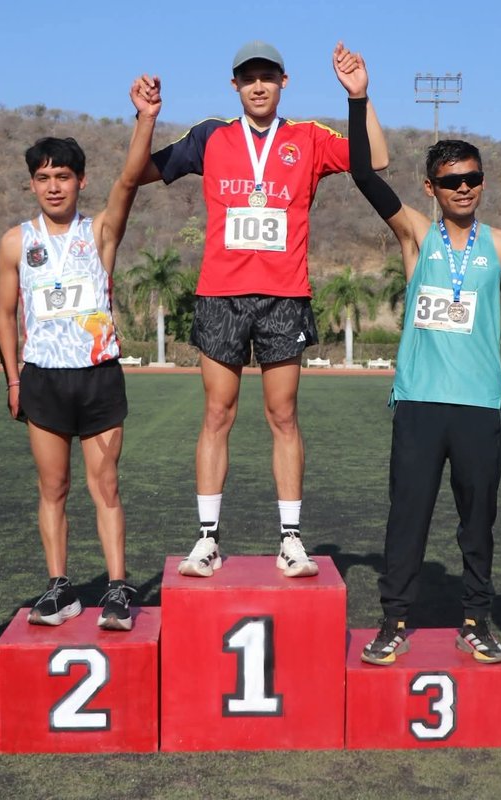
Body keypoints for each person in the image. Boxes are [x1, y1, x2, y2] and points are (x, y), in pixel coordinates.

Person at [140, 40, 388, 578]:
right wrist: (146, 119)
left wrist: (359, 97)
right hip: (220, 295)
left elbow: (378, 160)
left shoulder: (308, 138)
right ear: (234, 85)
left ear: (284, 82)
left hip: (284, 295)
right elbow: (141, 172)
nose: (258, 85)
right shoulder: (211, 136)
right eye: (248, 77)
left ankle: (291, 541)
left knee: (283, 416)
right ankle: (207, 539)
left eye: (268, 77)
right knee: (217, 413)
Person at [341, 48, 501, 667]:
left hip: (481, 402)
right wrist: (358, 98)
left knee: (477, 525)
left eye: (473, 179)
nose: (464, 189)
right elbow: (362, 174)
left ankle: (475, 621)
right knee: (408, 520)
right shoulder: (417, 235)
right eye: (452, 181)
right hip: (421, 402)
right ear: (431, 188)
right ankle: (395, 621)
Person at [0, 75, 160, 630]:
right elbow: (4, 314)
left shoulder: (101, 232)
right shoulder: (16, 241)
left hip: (97, 376)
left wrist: (145, 118)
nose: (53, 186)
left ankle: (117, 588)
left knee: (105, 485)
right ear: (32, 185)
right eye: (42, 178)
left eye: (62, 176)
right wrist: (14, 379)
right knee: (53, 488)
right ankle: (59, 588)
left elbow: (131, 181)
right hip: (42, 379)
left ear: (80, 180)